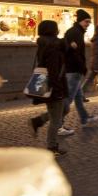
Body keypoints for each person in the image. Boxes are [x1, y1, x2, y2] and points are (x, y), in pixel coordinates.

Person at [29, 20, 69, 156]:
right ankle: (52, 146)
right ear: (53, 31)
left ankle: (38, 121)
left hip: (54, 84)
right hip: (54, 87)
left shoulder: (46, 44)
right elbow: (53, 71)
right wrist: (57, 91)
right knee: (56, 120)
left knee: (65, 109)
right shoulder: (52, 47)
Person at [63, 9, 98, 132]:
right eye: (86, 21)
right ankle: (57, 124)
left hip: (73, 70)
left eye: (89, 22)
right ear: (80, 21)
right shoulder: (75, 33)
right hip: (74, 70)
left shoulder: (75, 32)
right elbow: (75, 53)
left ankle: (84, 118)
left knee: (78, 97)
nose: (88, 24)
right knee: (68, 99)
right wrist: (82, 67)